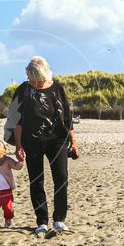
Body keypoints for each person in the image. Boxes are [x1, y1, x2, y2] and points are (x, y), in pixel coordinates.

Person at [13, 56, 79, 234]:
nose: (34, 83)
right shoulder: (23, 90)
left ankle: (59, 220)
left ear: (44, 76)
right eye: (31, 80)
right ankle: (42, 221)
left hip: (57, 140)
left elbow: (67, 117)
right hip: (31, 141)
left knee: (61, 178)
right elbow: (16, 120)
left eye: (37, 80)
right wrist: (18, 145)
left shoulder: (57, 88)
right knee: (36, 181)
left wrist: (73, 141)